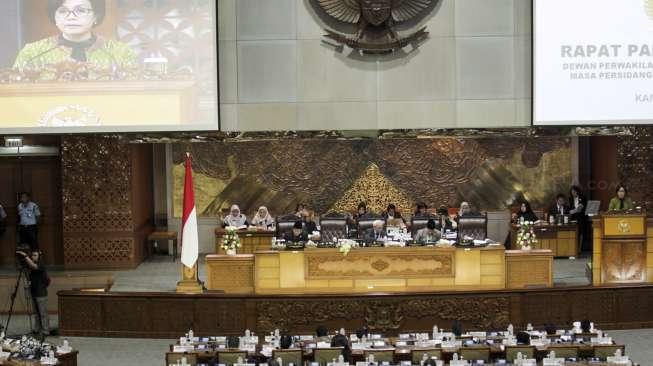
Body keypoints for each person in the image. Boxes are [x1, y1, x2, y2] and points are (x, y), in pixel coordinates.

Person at [13, 0, 138, 75]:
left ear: (96, 16)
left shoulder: (120, 53)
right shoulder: (32, 53)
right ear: (54, 17)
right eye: (62, 11)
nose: (71, 17)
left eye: (81, 10)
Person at [16, 250, 50, 338]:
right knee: (36, 313)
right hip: (34, 292)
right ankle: (37, 329)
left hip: (41, 293)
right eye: (32, 255)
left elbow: (34, 266)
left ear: (39, 257)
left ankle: (46, 330)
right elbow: (26, 272)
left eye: (35, 255)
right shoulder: (30, 267)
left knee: (43, 313)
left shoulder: (40, 264)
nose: (33, 257)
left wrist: (25, 256)